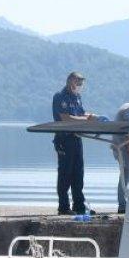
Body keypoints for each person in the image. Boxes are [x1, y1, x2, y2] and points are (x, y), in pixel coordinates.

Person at [51, 71, 100, 215]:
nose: (79, 85)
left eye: (81, 83)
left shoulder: (77, 97)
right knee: (65, 173)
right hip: (64, 139)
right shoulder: (60, 97)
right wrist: (86, 120)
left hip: (77, 138)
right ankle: (63, 207)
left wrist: (92, 116)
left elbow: (81, 114)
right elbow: (66, 118)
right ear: (70, 80)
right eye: (77, 82)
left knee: (78, 173)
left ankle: (79, 205)